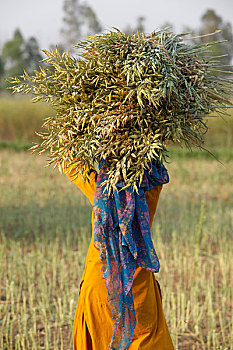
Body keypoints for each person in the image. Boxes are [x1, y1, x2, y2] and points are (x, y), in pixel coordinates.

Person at [62, 160, 174, 350]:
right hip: (137, 289)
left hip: (101, 284)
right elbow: (157, 171)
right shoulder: (149, 192)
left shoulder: (99, 190)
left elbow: (70, 162)